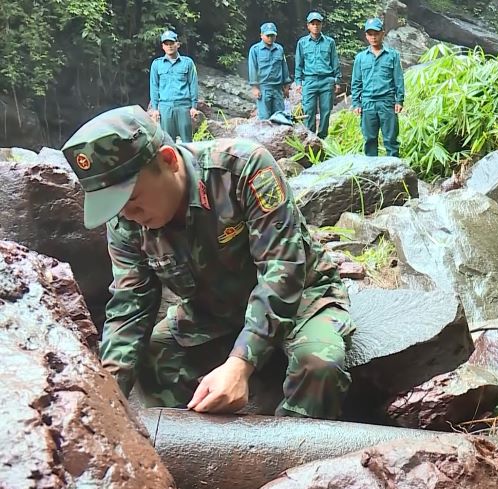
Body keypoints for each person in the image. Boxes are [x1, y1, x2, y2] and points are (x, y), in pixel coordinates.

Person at [60, 105, 353, 418]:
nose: (127, 215)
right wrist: (108, 400)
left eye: (131, 199)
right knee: (152, 357)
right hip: (214, 310)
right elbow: (130, 304)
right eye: (116, 208)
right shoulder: (125, 220)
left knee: (319, 363)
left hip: (302, 299)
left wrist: (240, 363)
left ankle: (292, 458)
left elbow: (282, 273)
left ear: (168, 160)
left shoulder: (242, 168)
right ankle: (191, 443)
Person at [351, 18, 404, 157]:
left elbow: (398, 79)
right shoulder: (360, 58)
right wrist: (356, 103)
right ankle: (371, 173)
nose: (373, 37)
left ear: (383, 33)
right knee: (369, 140)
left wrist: (399, 100)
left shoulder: (392, 56)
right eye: (370, 34)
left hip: (387, 102)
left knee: (391, 140)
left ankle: (395, 173)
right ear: (366, 36)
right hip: (367, 103)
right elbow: (356, 82)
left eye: (376, 33)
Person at [294, 11, 342, 139]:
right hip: (309, 81)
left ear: (321, 25)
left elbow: (334, 61)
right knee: (309, 111)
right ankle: (309, 138)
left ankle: (322, 139)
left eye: (318, 23)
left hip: (327, 80)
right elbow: (299, 64)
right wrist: (298, 83)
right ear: (308, 26)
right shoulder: (302, 43)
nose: (315, 26)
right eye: (312, 23)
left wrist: (337, 80)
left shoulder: (329, 42)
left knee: (326, 111)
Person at [149, 30, 200, 143]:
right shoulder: (157, 64)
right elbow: (154, 87)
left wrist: (194, 106)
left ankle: (190, 161)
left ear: (177, 44)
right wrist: (155, 109)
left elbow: (193, 84)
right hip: (165, 107)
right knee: (168, 142)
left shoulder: (187, 63)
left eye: (171, 43)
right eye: (166, 44)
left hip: (183, 106)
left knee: (187, 142)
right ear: (163, 46)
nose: (169, 46)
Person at [248, 22, 292, 120]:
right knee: (264, 118)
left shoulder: (279, 49)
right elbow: (252, 68)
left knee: (280, 117)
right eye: (268, 35)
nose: (270, 38)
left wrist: (286, 86)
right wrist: (254, 87)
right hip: (264, 88)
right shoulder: (255, 50)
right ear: (261, 35)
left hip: (278, 88)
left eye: (272, 35)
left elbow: (284, 66)